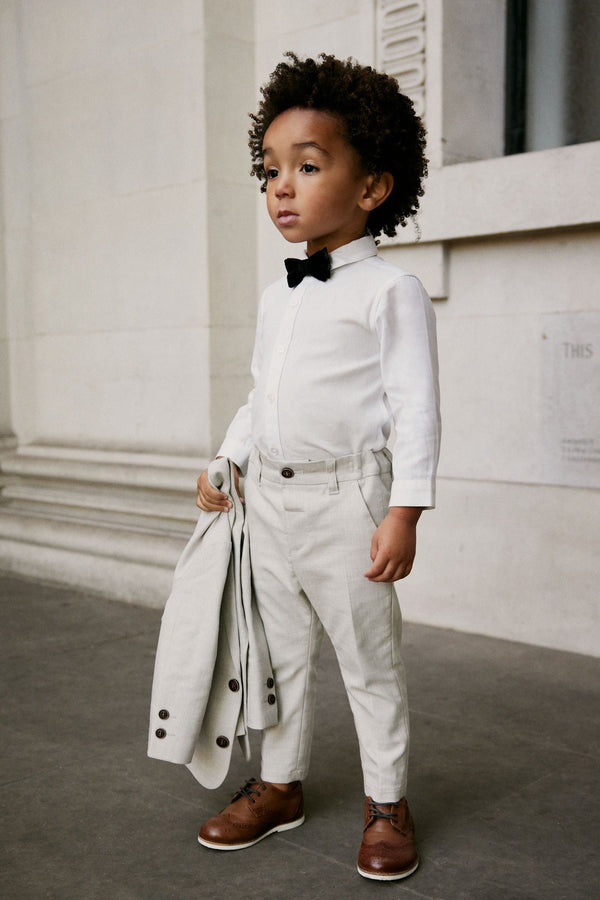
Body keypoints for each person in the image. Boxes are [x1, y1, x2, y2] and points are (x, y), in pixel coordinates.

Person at [195, 52, 440, 882]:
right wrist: (228, 457)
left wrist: (404, 510)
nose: (282, 188)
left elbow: (416, 409)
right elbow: (262, 394)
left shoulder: (390, 290)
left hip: (348, 499)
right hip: (268, 499)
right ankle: (279, 784)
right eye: (271, 171)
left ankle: (387, 802)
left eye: (307, 166)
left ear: (372, 187)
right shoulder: (279, 296)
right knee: (279, 653)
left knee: (368, 658)